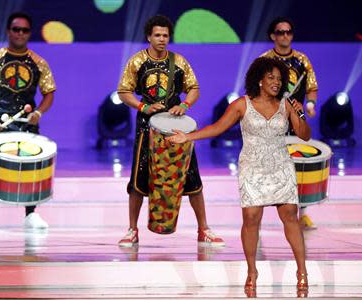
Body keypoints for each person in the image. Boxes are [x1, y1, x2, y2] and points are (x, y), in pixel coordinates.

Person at [168, 57, 310, 296]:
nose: (276, 82)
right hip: (252, 167)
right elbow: (217, 127)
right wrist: (188, 137)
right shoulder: (242, 104)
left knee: (290, 217)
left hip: (281, 166)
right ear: (259, 80)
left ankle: (302, 271)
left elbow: (304, 136)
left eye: (279, 78)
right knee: (252, 218)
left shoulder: (286, 105)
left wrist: (300, 114)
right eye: (271, 78)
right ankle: (252, 271)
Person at [116, 15, 224, 248]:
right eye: (157, 35)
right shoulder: (137, 62)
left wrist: (184, 105)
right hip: (147, 128)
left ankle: (204, 229)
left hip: (176, 128)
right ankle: (132, 230)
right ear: (149, 36)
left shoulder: (179, 62)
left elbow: (194, 88)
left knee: (192, 177)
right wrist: (143, 106)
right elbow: (124, 92)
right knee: (138, 179)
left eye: (165, 35)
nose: (162, 39)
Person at [0, 12, 56, 230]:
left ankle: (31, 214)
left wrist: (39, 113)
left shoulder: (39, 63)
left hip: (27, 123)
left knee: (31, 167)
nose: (20, 34)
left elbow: (49, 94)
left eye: (24, 30)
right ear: (8, 31)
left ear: (29, 33)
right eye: (16, 29)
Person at [261, 17, 319, 230]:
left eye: (288, 32)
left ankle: (302, 214)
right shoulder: (264, 61)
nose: (285, 35)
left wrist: (310, 104)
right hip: (270, 122)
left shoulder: (302, 61)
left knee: (299, 168)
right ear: (272, 36)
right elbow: (253, 89)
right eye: (280, 32)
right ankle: (257, 215)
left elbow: (311, 87)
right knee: (267, 169)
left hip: (295, 120)